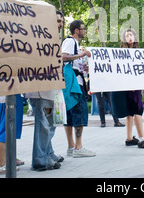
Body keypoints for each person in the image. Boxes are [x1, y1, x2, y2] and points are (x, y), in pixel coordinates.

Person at [26, 10, 65, 171]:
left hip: (53, 89)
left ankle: (48, 153)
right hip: (39, 90)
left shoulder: (55, 40)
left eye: (61, 21)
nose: (60, 24)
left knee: (52, 123)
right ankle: (40, 159)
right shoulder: (37, 38)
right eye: (56, 21)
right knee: (43, 124)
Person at [110, 28, 144, 149]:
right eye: (127, 36)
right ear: (123, 38)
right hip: (129, 87)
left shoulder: (138, 52)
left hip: (134, 85)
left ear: (135, 37)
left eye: (131, 35)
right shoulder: (121, 52)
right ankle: (142, 139)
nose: (129, 37)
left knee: (130, 113)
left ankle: (129, 138)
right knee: (137, 110)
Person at [61, 20, 95, 158]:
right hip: (74, 85)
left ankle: (71, 147)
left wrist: (83, 67)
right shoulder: (70, 41)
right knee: (78, 113)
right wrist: (82, 55)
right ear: (76, 30)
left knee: (69, 115)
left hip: (71, 83)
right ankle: (78, 147)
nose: (85, 31)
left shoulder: (73, 43)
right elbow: (63, 57)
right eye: (83, 28)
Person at [0, 94, 24, 175]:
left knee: (0, 134)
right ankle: (0, 165)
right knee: (4, 135)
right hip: (8, 101)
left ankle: (8, 161)